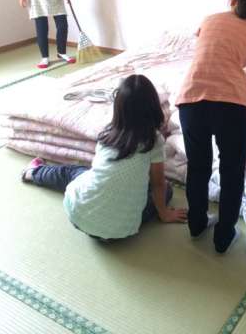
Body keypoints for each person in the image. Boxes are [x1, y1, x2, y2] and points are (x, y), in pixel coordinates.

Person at [21, 74, 187, 241]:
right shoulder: (154, 140)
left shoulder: (108, 132)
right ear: (153, 107)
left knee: (71, 172)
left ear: (118, 107)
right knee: (166, 189)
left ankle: (32, 173)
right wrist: (164, 214)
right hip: (117, 233)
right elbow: (158, 183)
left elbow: (100, 170)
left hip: (78, 214)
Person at [176, 0, 246, 254]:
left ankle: (196, 224)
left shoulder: (209, 21)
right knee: (232, 172)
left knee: (198, 167)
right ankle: (224, 236)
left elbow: (207, 57)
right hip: (231, 107)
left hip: (191, 100)